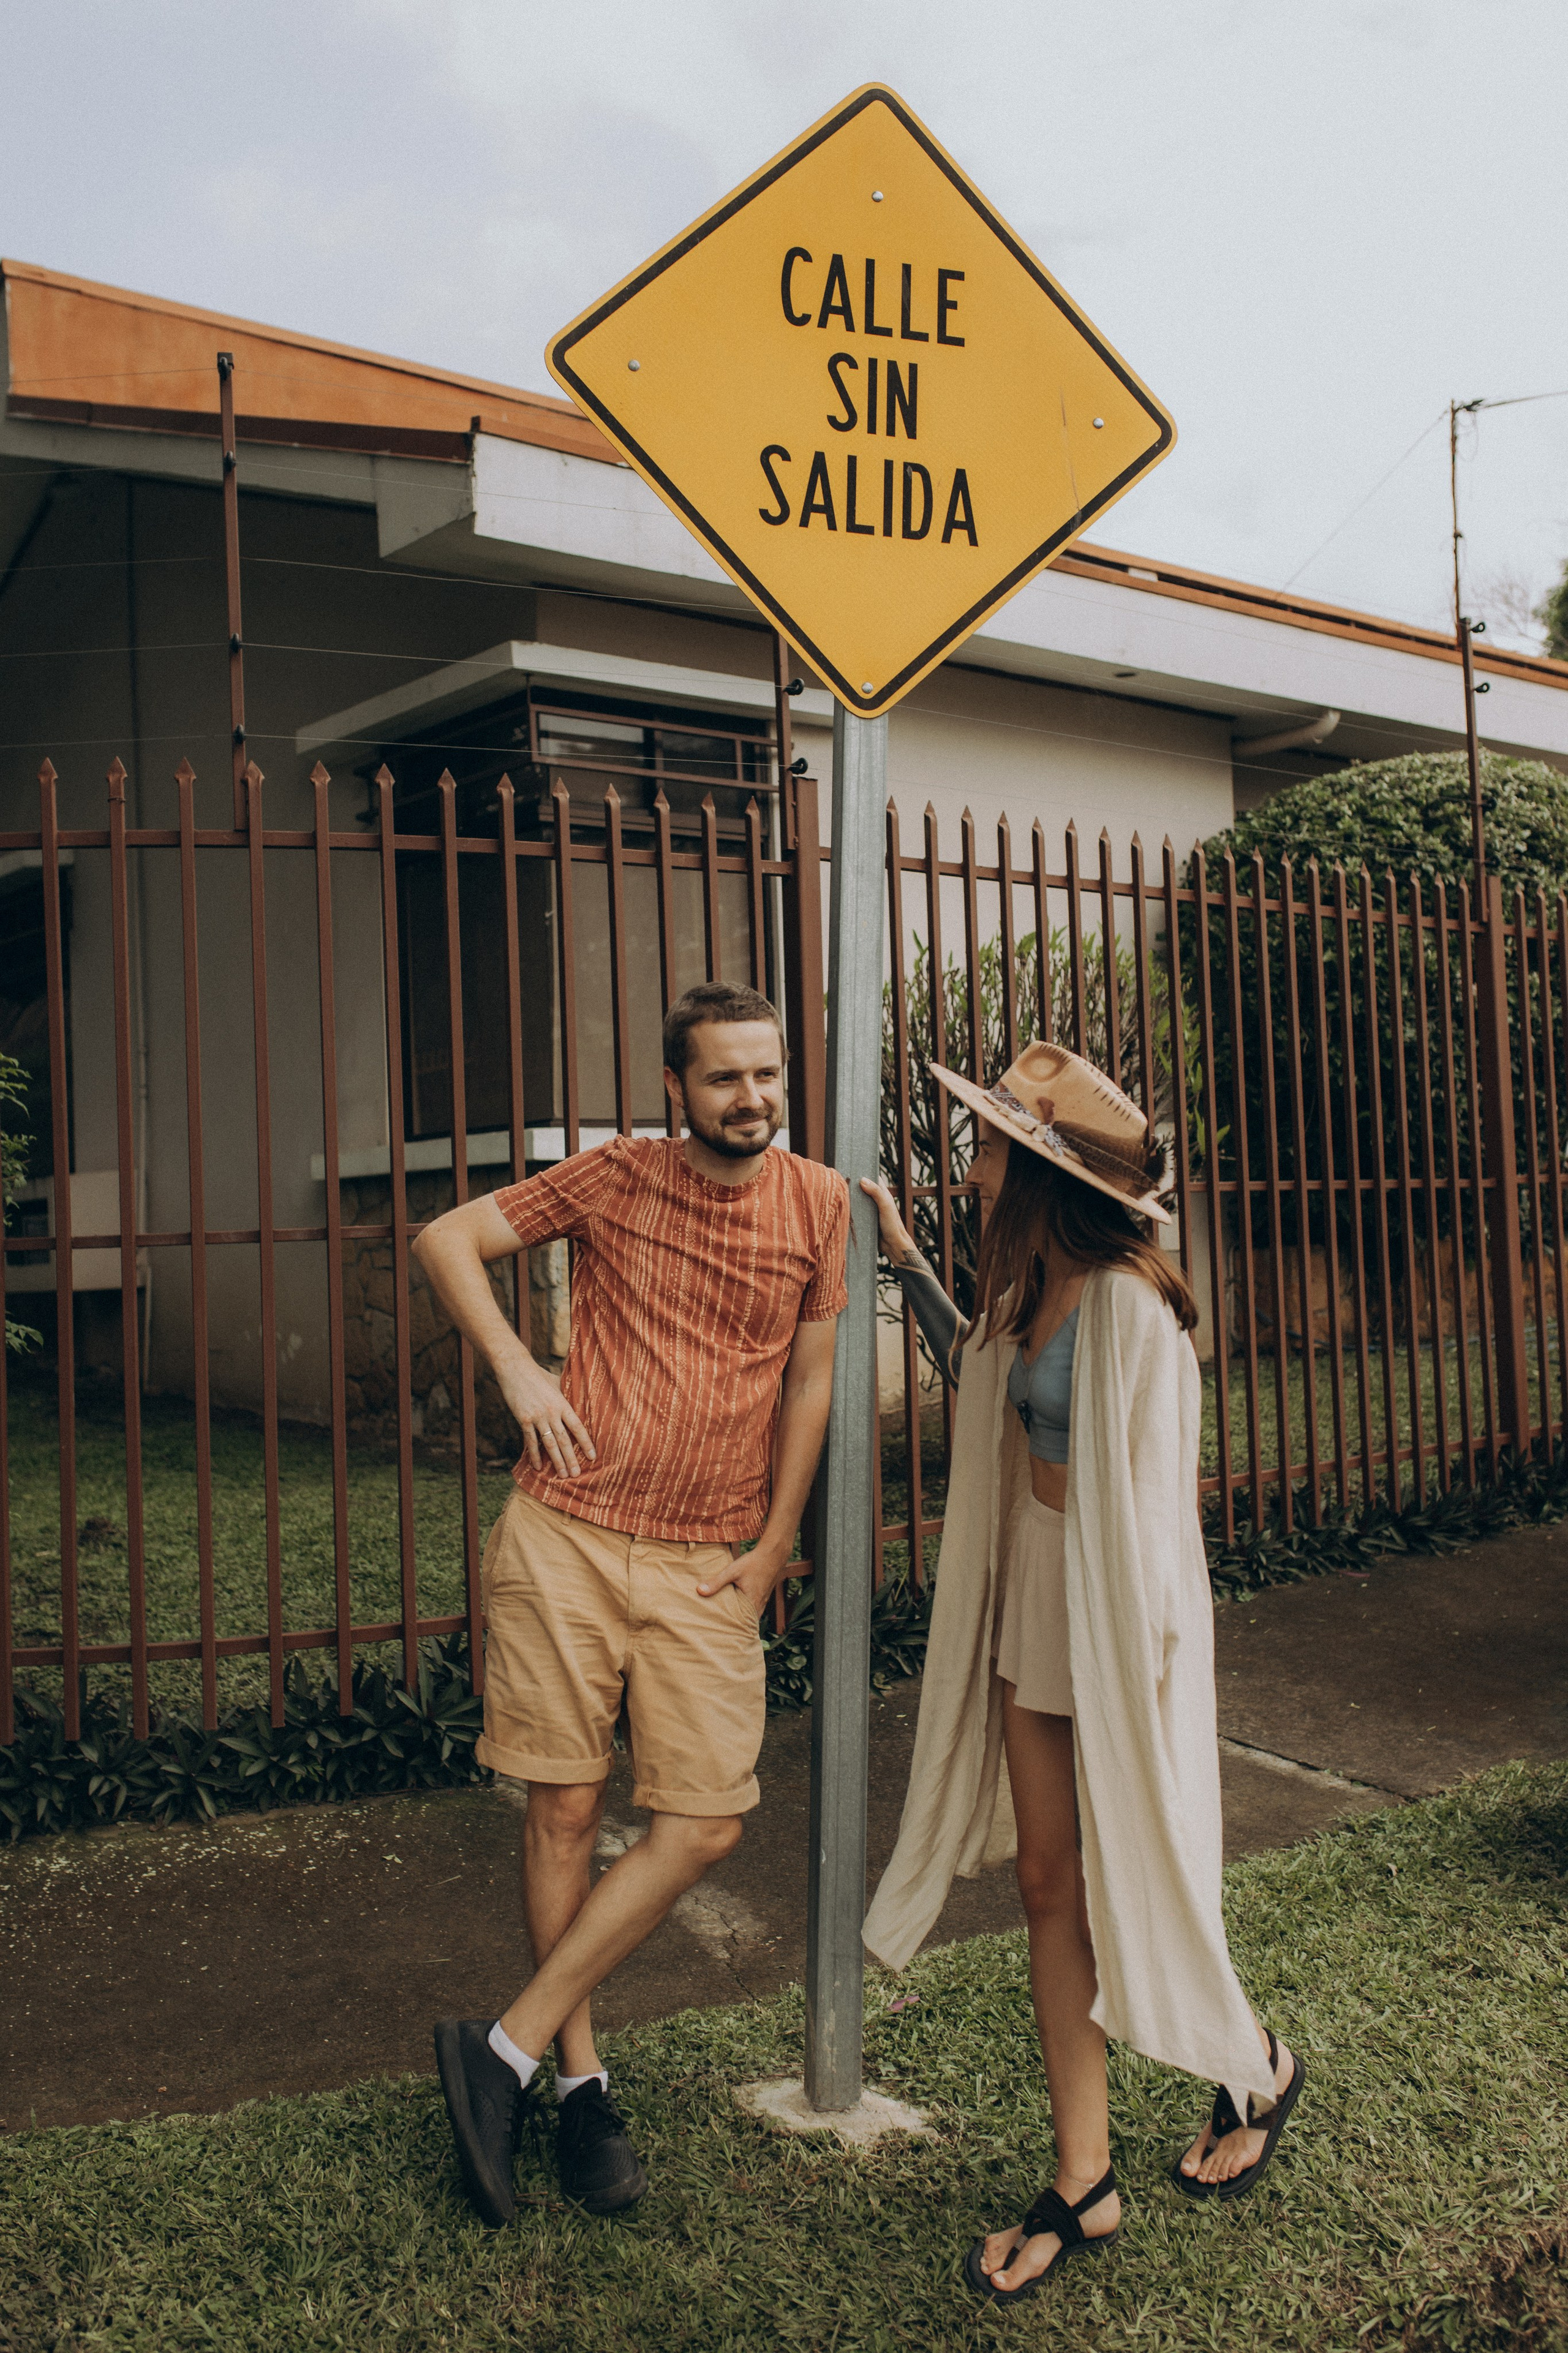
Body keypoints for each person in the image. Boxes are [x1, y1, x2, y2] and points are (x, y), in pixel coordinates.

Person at [860, 1041, 1303, 2303]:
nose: (971, 1150)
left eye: (990, 1135)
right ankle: (1082, 2177)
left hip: (1120, 1619)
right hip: (1035, 1606)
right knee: (1049, 1881)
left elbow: (1157, 1512)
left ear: (1042, 1169)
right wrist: (900, 1252)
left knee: (1137, 1866)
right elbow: (981, 1380)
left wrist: (1151, 1679)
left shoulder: (1127, 1302)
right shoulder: (1028, 1287)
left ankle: (1254, 2061)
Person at [412, 981, 846, 2229]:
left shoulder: (817, 1205)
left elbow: (810, 1384)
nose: (751, 1099)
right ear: (677, 1088)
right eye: (724, 1078)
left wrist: (771, 1548)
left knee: (704, 1820)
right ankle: (579, 2084)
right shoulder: (616, 1176)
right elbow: (448, 1238)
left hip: (707, 1560)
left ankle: (500, 2048)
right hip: (565, 1535)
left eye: (765, 1076)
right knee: (563, 1809)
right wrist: (514, 1364)